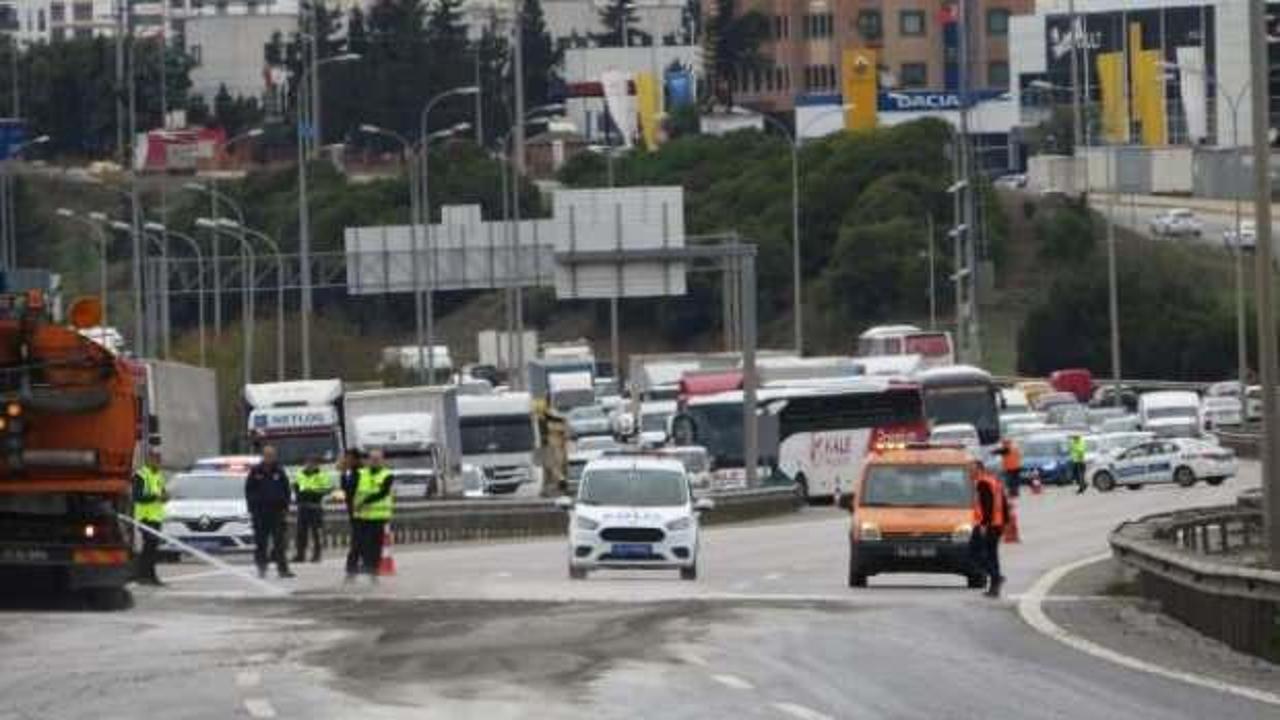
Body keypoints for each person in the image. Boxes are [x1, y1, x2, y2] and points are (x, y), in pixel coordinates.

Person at [244, 446, 295, 579]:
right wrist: (253, 508)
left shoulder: (279, 471)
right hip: (260, 513)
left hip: (277, 512)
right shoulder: (256, 471)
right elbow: (249, 491)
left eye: (271, 455)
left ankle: (283, 569)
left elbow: (286, 490)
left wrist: (285, 507)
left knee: (279, 543)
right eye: (267, 455)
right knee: (261, 542)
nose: (269, 458)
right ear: (263, 456)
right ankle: (262, 568)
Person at [352, 448, 395, 580]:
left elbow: (382, 493)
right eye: (372, 459)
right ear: (368, 460)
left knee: (375, 545)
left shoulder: (387, 475)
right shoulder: (360, 473)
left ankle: (373, 571)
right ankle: (364, 567)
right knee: (361, 543)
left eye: (377, 459)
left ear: (382, 460)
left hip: (379, 516)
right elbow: (350, 489)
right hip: (362, 516)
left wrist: (364, 501)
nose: (374, 461)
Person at [970, 461, 1007, 598]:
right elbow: (1003, 503)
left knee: (974, 553)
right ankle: (994, 587)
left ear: (980, 469)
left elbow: (987, 506)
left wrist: (984, 525)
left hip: (986, 525)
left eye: (972, 470)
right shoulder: (993, 481)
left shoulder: (983, 483)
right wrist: (1005, 523)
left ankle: (996, 576)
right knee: (991, 554)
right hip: (997, 524)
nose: (970, 472)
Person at [132, 450, 168, 586]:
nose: (158, 463)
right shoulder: (141, 476)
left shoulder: (159, 476)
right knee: (148, 548)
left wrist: (165, 497)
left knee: (152, 548)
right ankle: (144, 576)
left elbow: (162, 493)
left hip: (156, 518)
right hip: (145, 517)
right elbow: (137, 497)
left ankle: (150, 576)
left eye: (159, 460)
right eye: (155, 460)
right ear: (148, 461)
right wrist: (155, 497)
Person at [293, 455, 334, 563]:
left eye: (312, 463)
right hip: (303, 507)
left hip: (315, 507)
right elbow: (297, 489)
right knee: (301, 533)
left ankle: (317, 555)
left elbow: (327, 489)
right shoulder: (299, 474)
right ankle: (300, 555)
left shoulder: (322, 475)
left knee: (317, 533)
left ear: (316, 464)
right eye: (308, 463)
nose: (310, 465)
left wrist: (312, 492)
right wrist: (309, 492)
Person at [339, 449, 364, 579]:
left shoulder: (359, 473)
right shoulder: (353, 473)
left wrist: (343, 474)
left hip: (363, 513)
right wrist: (343, 474)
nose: (345, 461)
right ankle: (357, 570)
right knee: (359, 542)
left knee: (359, 543)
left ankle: (352, 571)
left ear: (355, 459)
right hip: (355, 513)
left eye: (347, 458)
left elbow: (349, 493)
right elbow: (345, 492)